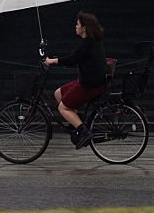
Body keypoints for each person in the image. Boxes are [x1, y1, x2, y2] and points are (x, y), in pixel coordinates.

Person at [43, 11, 107, 149]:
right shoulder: (92, 41)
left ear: (84, 28)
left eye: (78, 24)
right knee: (58, 93)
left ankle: (83, 131)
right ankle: (78, 122)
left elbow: (73, 59)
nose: (75, 26)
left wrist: (52, 61)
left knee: (63, 107)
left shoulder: (88, 44)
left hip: (89, 85)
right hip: (90, 81)